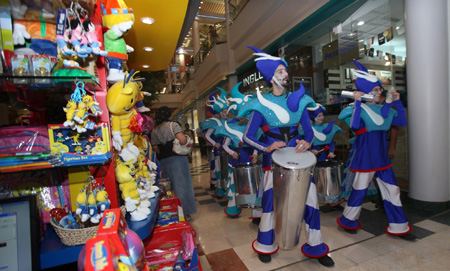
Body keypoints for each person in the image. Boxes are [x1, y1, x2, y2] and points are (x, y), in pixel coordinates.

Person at [239, 46, 334, 267]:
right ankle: (265, 244)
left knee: (310, 202)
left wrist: (307, 141)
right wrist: (267, 148)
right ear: (271, 78)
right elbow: (247, 137)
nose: (285, 75)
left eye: (285, 71)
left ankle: (316, 246)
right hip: (272, 163)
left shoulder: (299, 101)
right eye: (280, 71)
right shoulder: (259, 105)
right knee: (271, 204)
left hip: (300, 161)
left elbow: (308, 131)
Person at [336, 60, 415, 241]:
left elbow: (401, 122)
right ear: (367, 92)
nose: (380, 92)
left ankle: (399, 225)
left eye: (380, 89)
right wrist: (357, 103)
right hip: (365, 158)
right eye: (377, 90)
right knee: (359, 190)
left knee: (393, 191)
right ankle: (348, 220)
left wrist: (398, 102)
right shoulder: (357, 109)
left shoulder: (383, 109)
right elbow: (355, 126)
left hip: (382, 159)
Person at [150, 106, 197, 219]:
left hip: (163, 161)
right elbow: (182, 140)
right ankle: (184, 212)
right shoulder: (173, 125)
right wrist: (186, 139)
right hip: (177, 159)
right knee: (181, 185)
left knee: (168, 187)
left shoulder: (155, 131)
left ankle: (171, 211)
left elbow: (155, 147)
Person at [307, 104, 344, 210]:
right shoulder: (309, 129)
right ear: (313, 117)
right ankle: (322, 200)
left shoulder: (328, 127)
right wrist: (311, 151)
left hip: (326, 157)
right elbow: (305, 143)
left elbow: (331, 142)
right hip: (316, 159)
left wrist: (331, 151)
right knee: (320, 180)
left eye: (322, 115)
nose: (321, 118)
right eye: (319, 116)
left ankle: (333, 201)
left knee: (331, 180)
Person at [200, 89, 229, 196]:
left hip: (228, 150)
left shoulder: (229, 122)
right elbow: (207, 136)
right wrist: (215, 143)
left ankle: (226, 187)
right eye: (224, 111)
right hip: (218, 151)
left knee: (226, 169)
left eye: (227, 111)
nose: (226, 113)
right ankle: (219, 188)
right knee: (218, 168)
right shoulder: (214, 122)